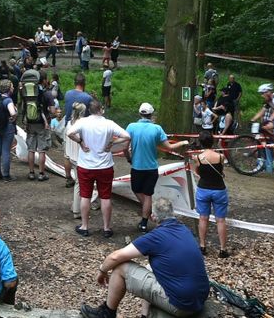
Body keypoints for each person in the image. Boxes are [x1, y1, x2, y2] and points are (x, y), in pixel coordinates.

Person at [80, 197, 209, 318]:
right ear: (172, 214)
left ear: (153, 217)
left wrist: (102, 271)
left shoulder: (157, 236)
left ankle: (106, 313)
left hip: (181, 305)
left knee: (120, 267)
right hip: (199, 298)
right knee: (149, 268)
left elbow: (115, 257)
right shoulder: (184, 230)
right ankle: (145, 315)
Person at [67, 100, 130, 238]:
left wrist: (81, 142)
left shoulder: (83, 122)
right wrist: (113, 142)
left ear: (89, 110)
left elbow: (70, 133)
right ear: (101, 109)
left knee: (85, 196)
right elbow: (127, 136)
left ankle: (84, 226)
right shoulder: (109, 123)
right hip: (105, 166)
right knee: (105, 197)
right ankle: (106, 228)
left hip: (86, 165)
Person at [125, 103, 178, 232]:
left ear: (139, 114)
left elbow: (124, 148)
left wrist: (128, 158)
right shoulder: (157, 129)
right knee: (148, 195)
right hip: (152, 167)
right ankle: (147, 217)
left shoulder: (131, 127)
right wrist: (183, 142)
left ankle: (146, 218)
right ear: (151, 115)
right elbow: (169, 147)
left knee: (137, 190)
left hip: (137, 166)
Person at [189, 129, 229, 257]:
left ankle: (202, 246)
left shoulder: (198, 158)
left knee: (203, 218)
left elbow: (198, 173)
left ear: (200, 143)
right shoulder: (221, 157)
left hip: (203, 190)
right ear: (212, 142)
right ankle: (223, 249)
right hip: (219, 190)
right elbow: (221, 171)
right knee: (221, 220)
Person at [19, 72, 55, 181]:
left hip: (30, 122)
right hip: (42, 124)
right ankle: (41, 173)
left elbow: (22, 106)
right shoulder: (47, 94)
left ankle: (31, 173)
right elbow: (53, 111)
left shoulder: (25, 93)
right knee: (42, 150)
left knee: (31, 149)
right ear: (43, 80)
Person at [62, 73, 94, 186]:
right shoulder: (87, 97)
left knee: (67, 154)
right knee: (80, 154)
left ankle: (68, 177)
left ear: (74, 82)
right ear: (84, 83)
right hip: (81, 129)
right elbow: (91, 113)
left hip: (68, 125)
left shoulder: (68, 94)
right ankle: (81, 179)